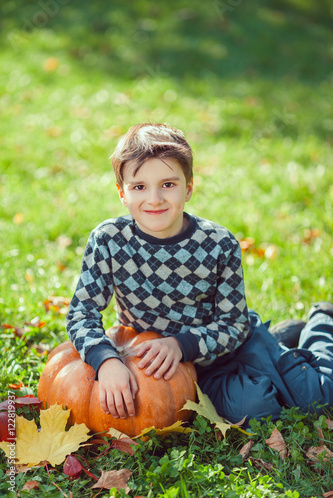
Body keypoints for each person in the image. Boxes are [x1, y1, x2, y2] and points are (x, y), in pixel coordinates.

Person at [66, 123, 333, 424]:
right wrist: (106, 361)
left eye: (168, 184)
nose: (154, 199)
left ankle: (322, 322)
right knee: (255, 410)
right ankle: (281, 342)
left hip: (224, 350)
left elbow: (234, 324)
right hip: (170, 369)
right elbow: (81, 313)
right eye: (139, 186)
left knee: (319, 398)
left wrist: (181, 345)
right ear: (122, 193)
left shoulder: (218, 244)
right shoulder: (109, 240)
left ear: (189, 187)